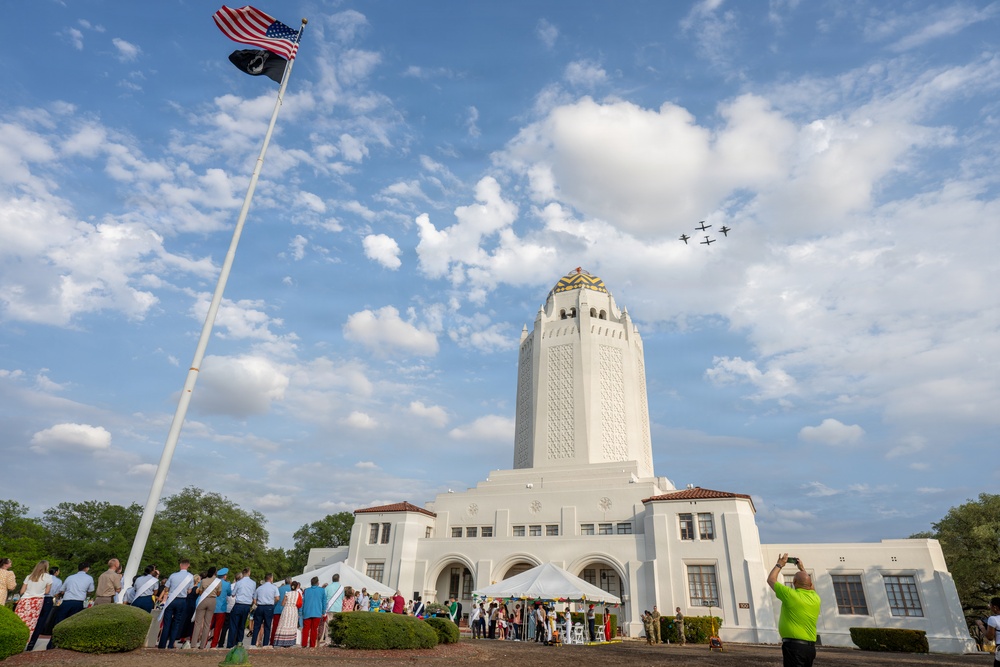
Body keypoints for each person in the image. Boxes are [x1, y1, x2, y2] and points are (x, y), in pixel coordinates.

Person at [767, 553, 820, 667]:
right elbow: (810, 586)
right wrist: (802, 569)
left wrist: (779, 564)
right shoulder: (815, 598)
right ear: (810, 584)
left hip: (794, 647)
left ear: (794, 583)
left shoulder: (790, 595)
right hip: (810, 649)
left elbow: (771, 579)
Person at [47, 562, 94, 650]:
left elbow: (62, 590)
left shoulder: (70, 577)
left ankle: (52, 644)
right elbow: (91, 590)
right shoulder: (89, 578)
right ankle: (68, 644)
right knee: (73, 624)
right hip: (78, 602)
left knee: (59, 622)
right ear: (87, 568)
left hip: (67, 601)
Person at [157, 559, 194, 649]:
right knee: (176, 623)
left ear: (180, 565)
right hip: (182, 601)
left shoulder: (173, 575)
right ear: (188, 565)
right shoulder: (190, 576)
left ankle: (162, 644)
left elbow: (166, 588)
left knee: (167, 623)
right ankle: (171, 644)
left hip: (171, 600)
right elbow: (189, 591)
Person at [26, 566, 61, 652]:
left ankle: (27, 639)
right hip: (48, 599)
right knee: (41, 621)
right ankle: (32, 643)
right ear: (56, 572)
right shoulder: (58, 581)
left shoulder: (40, 577)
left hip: (36, 597)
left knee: (31, 619)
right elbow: (56, 592)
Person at [14, 560, 52, 635]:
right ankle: (26, 639)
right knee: (31, 621)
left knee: (19, 619)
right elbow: (47, 591)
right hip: (37, 600)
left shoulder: (29, 576)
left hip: (25, 599)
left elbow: (22, 591)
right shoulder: (48, 577)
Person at [192, 567, 220, 649]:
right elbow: (218, 593)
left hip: (203, 600)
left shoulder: (204, 580)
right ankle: (203, 644)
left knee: (198, 623)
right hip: (212, 600)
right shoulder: (218, 582)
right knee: (207, 624)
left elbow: (200, 592)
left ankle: (193, 643)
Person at [228, 568, 256, 648]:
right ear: (249, 573)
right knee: (242, 625)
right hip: (247, 605)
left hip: (238, 604)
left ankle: (230, 644)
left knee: (233, 625)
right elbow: (253, 594)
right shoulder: (253, 583)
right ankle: (239, 642)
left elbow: (233, 594)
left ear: (243, 573)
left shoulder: (239, 582)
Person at [251, 573, 280, 647]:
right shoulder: (274, 587)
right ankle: (265, 644)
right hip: (269, 607)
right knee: (267, 626)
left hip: (260, 606)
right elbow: (277, 598)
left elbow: (254, 600)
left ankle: (253, 643)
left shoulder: (259, 588)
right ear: (271, 579)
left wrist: (258, 604)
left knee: (257, 626)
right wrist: (273, 602)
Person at [272, 581, 302, 648]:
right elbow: (300, 604)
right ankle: (290, 641)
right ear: (297, 587)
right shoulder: (298, 594)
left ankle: (282, 640)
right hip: (294, 610)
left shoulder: (287, 593)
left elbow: (282, 603)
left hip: (286, 610)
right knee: (292, 625)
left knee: (284, 624)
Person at [209, 568, 232, 648]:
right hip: (221, 608)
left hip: (211, 606)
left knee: (208, 626)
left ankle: (204, 642)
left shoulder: (212, 583)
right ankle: (214, 644)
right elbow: (229, 594)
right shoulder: (226, 584)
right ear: (225, 576)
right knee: (218, 628)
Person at [975, 597, 1000, 667]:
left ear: (995, 607)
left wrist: (981, 626)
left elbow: (990, 637)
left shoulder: (993, 619)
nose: (990, 607)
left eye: (990, 605)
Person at [301, 576, 325, 648]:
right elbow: (324, 602)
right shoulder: (322, 590)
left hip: (307, 611)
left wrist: (301, 611)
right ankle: (312, 644)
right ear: (318, 582)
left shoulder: (306, 590)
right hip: (317, 612)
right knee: (314, 629)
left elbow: (303, 601)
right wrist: (323, 611)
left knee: (306, 629)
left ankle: (304, 644)